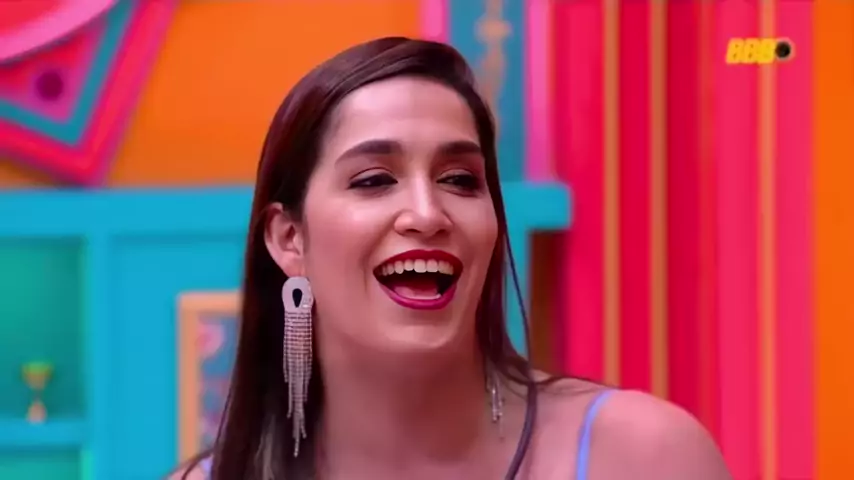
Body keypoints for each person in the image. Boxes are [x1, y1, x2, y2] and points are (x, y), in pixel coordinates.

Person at [172, 37, 731, 480]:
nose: (427, 213)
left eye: (460, 180)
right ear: (290, 239)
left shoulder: (642, 455)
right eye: (374, 180)